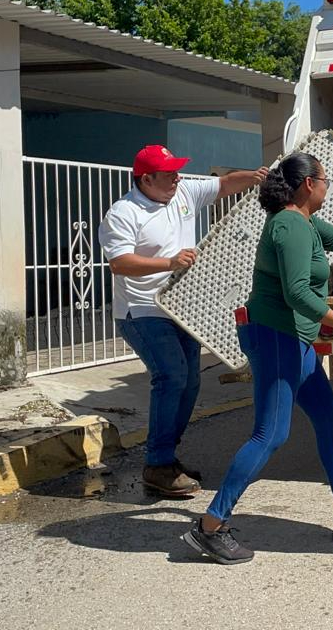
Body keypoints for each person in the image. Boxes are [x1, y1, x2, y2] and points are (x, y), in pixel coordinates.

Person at [182, 151, 333, 565]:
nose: (327, 186)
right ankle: (209, 527)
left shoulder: (304, 222)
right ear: (308, 185)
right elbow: (297, 293)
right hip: (277, 338)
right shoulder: (289, 227)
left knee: (327, 415)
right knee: (270, 434)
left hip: (295, 340)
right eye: (325, 180)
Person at [99, 144, 267, 497]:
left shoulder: (183, 191)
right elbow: (120, 264)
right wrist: (169, 262)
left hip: (182, 307)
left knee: (190, 382)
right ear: (146, 179)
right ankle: (158, 464)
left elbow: (223, 185)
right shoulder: (124, 213)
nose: (177, 178)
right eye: (169, 173)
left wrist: (254, 177)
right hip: (142, 309)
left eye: (177, 171)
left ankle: (166, 457)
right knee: (171, 376)